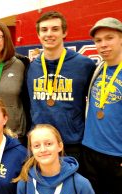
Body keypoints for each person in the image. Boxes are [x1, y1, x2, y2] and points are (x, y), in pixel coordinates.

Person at [26, 11, 96, 160]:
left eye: (55, 29)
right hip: (40, 144)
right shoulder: (31, 67)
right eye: (44, 30)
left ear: (65, 32)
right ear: (38, 35)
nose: (49, 34)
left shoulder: (84, 65)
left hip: (72, 143)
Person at [15, 124, 97, 194]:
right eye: (37, 145)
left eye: (49, 144)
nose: (43, 149)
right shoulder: (24, 184)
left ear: (60, 146)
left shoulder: (80, 184)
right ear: (31, 150)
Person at [81, 17, 122, 194]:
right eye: (98, 40)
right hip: (91, 154)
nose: (103, 44)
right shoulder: (97, 70)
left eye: (109, 38)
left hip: (118, 158)